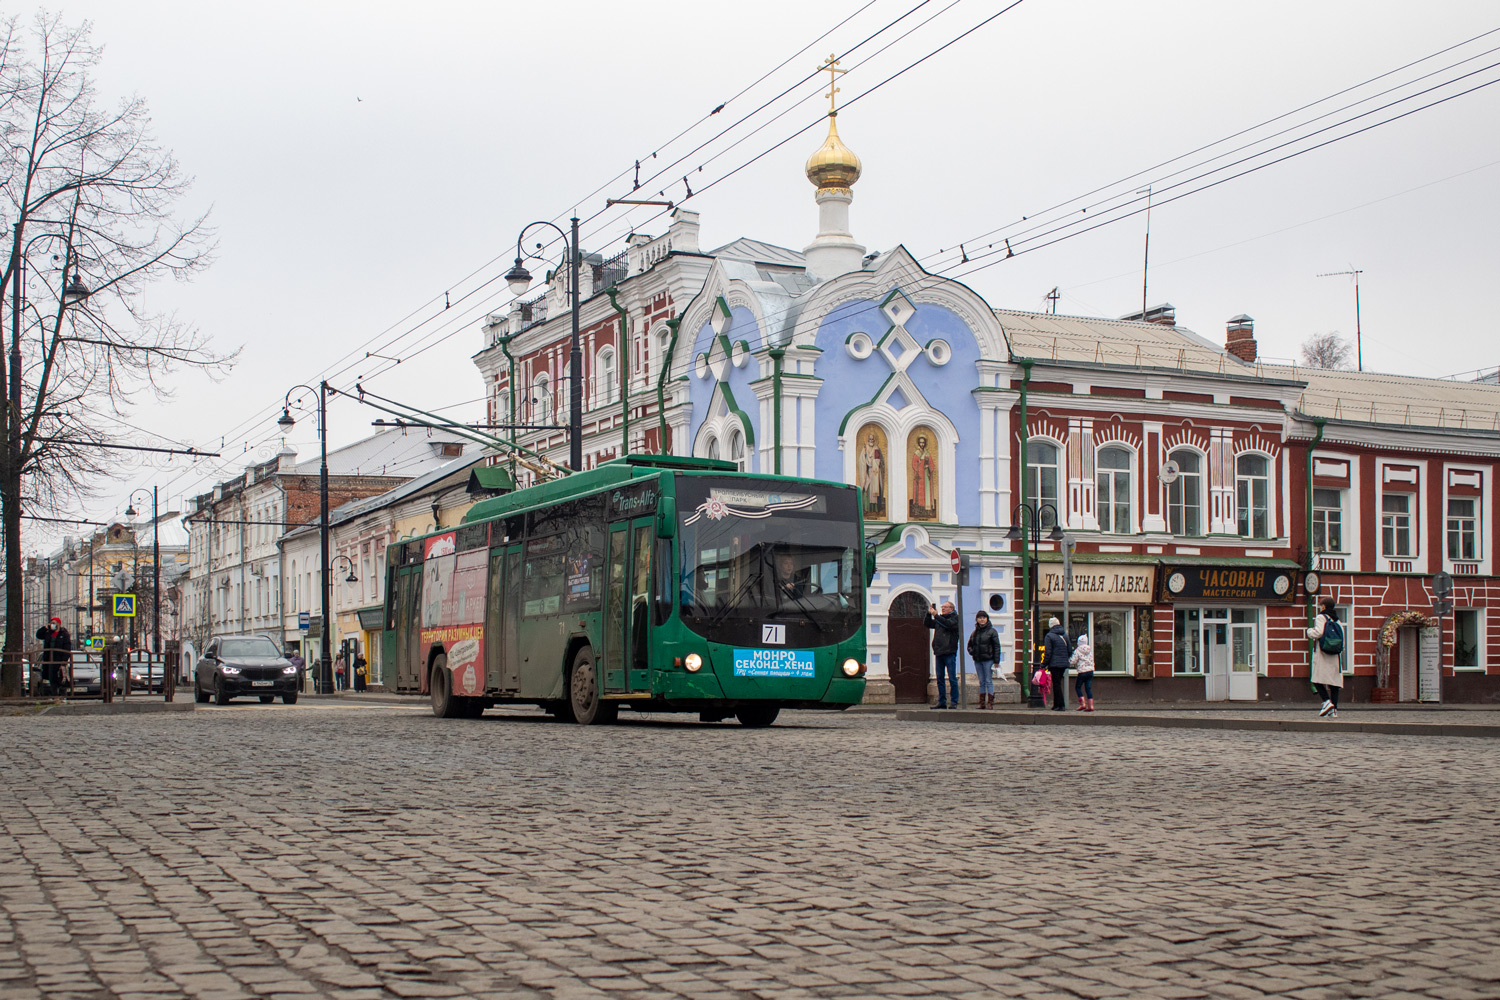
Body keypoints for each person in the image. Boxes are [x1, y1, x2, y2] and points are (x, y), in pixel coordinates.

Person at [1306, 596, 1345, 718]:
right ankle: (1334, 710)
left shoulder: (1321, 617)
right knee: (1334, 683)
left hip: (1323, 653)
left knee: (1316, 679)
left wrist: (1309, 631)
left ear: (1323, 606)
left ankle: (1327, 702)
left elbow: (1318, 633)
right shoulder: (1337, 620)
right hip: (1334, 655)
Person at [924, 600, 960, 709]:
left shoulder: (955, 618)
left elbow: (948, 624)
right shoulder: (940, 619)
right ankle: (942, 701)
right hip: (939, 652)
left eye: (945, 607)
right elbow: (928, 624)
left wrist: (936, 616)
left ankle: (954, 702)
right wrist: (929, 614)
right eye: (942, 607)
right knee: (939, 679)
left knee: (952, 678)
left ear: (951, 609)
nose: (943, 608)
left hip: (949, 651)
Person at [967, 610, 1000, 709]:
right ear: (977, 619)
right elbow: (969, 645)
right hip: (978, 660)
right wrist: (973, 652)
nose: (982, 619)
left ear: (987, 619)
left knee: (988, 680)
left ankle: (990, 702)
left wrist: (996, 661)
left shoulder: (992, 631)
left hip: (988, 659)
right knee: (981, 681)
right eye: (980, 618)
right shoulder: (975, 632)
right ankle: (982, 703)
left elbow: (996, 646)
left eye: (984, 618)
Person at [34, 617, 71, 696]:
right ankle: (53, 695)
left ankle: (61, 695)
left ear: (58, 624)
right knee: (50, 678)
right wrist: (45, 627)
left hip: (59, 660)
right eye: (51, 623)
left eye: (54, 623)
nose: (52, 625)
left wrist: (64, 660)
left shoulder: (64, 634)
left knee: (60, 678)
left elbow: (67, 648)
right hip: (49, 660)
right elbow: (38, 635)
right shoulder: (48, 633)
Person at [1042, 616, 1072, 711]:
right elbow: (1070, 650)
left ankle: (1060, 705)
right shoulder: (1064, 635)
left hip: (1054, 664)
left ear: (1050, 626)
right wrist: (1065, 658)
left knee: (1056, 684)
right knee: (1057, 683)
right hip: (1063, 664)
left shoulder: (1049, 636)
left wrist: (1044, 664)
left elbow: (1048, 652)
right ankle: (1056, 705)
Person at [1070, 633, 1096, 712]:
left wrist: (1069, 662)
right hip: (1090, 671)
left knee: (1078, 687)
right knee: (1088, 688)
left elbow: (1073, 661)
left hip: (1082, 672)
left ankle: (1082, 704)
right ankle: (1091, 706)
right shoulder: (1089, 650)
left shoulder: (1077, 650)